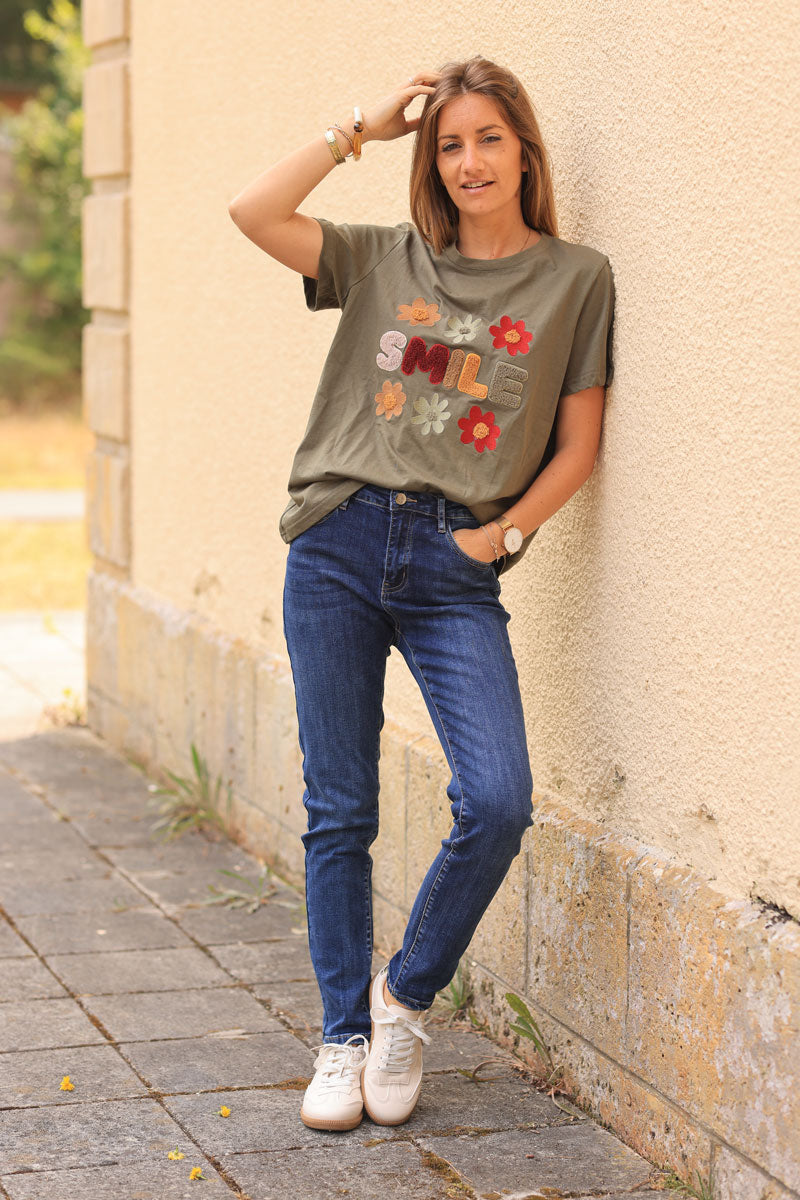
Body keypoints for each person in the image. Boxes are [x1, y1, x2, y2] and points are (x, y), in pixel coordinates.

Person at [227, 55, 615, 1134]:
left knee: (496, 798)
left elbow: (577, 443)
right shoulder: (381, 256)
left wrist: (503, 534)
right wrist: (363, 124)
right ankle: (340, 1037)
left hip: (454, 563)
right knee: (338, 810)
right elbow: (251, 209)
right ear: (428, 161)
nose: (467, 160)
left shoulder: (574, 279)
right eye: (448, 143)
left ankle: (401, 998)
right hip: (338, 543)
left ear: (522, 152)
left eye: (488, 138)